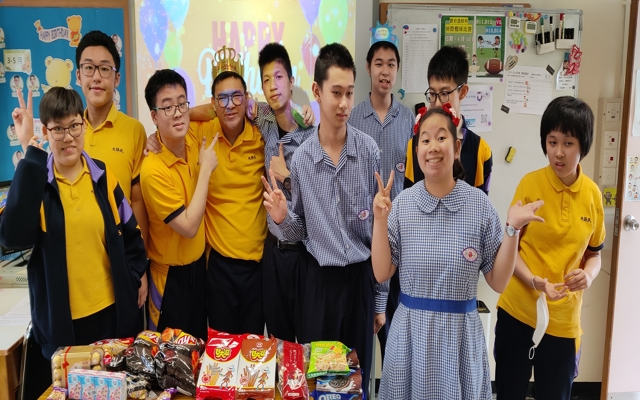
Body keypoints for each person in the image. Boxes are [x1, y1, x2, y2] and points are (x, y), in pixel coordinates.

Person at [371, 106, 544, 399]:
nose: (433, 147)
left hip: (460, 339)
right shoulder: (402, 204)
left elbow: (498, 282)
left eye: (441, 138)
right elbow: (381, 272)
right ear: (416, 150)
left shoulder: (479, 205)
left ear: (457, 147)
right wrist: (379, 219)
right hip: (410, 336)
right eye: (425, 140)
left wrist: (512, 230)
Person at [262, 43, 381, 399]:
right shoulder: (302, 160)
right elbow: (301, 229)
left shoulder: (368, 152)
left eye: (349, 93)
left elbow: (381, 232)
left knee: (357, 382)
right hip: (319, 286)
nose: (344, 103)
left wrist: (380, 300)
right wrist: (283, 218)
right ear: (316, 91)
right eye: (336, 93)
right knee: (324, 384)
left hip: (360, 282)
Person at [0, 88, 146, 359]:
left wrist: (136, 277)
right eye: (58, 129)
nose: (68, 137)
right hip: (63, 327)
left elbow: (131, 232)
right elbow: (12, 237)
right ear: (46, 132)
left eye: (74, 126)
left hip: (112, 316)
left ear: (84, 125)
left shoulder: (103, 176)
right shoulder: (39, 183)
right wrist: (29, 152)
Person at [494, 96, 605, 400]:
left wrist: (588, 275)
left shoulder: (593, 196)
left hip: (564, 319)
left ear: (583, 145)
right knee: (509, 392)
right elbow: (510, 250)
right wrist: (534, 281)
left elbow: (594, 253)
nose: (558, 152)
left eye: (568, 143)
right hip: (518, 309)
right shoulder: (530, 185)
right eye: (552, 141)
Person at [348, 22, 414, 361]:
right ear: (368, 68)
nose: (385, 71)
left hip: (400, 241)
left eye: (391, 64)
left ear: (397, 69)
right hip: (362, 239)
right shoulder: (353, 118)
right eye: (378, 63)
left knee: (396, 346)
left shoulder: (410, 121)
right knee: (358, 346)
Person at [140, 70, 217, 340]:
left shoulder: (191, 138)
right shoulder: (152, 169)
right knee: (169, 357)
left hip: (198, 271)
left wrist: (180, 112)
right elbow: (188, 226)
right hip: (169, 280)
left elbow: (215, 108)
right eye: (167, 106)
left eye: (181, 103)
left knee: (197, 349)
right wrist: (206, 170)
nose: (177, 113)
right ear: (153, 116)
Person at [75, 30, 149, 310]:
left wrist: (141, 265)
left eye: (105, 69)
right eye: (89, 68)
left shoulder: (134, 130)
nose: (96, 77)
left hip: (122, 258)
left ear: (116, 78)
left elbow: (137, 200)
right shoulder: (69, 133)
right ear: (78, 75)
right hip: (79, 264)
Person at [256, 43, 315, 342]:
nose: (273, 85)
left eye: (278, 77)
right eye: (266, 79)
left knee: (305, 341)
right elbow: (225, 104)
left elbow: (317, 200)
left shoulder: (311, 135)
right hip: (272, 252)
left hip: (303, 254)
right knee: (277, 341)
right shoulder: (264, 120)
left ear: (291, 82)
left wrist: (287, 178)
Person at [205, 49, 267, 335]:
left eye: (237, 97)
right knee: (222, 349)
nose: (230, 105)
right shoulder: (202, 133)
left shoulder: (262, 135)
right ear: (213, 103)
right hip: (219, 268)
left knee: (254, 349)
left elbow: (285, 115)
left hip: (257, 268)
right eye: (222, 98)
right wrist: (154, 139)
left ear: (247, 98)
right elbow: (173, 124)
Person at [405, 46, 493, 195]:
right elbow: (408, 198)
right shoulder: (414, 145)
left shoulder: (480, 149)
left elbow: (481, 204)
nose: (437, 103)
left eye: (445, 93)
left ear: (463, 92)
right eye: (432, 93)